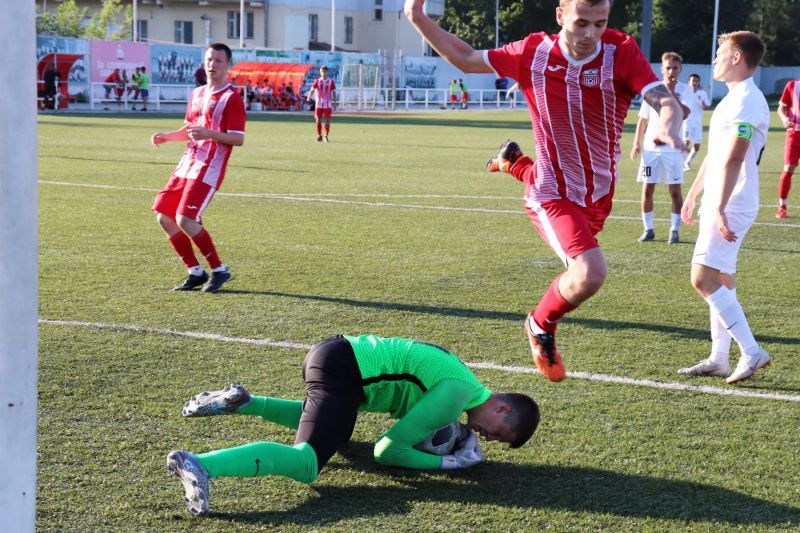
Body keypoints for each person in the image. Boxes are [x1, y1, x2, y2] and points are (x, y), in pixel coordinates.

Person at [405, 0, 684, 382]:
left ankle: (514, 162)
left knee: (580, 240)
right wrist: (417, 17)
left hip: (596, 194)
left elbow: (663, 98)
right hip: (552, 196)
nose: (590, 34)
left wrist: (668, 123)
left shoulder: (619, 51)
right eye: (581, 23)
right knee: (589, 273)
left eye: (600, 23)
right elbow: (467, 58)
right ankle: (539, 324)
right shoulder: (533, 52)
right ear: (560, 16)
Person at [166, 334, 541, 516]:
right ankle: (202, 464)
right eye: (498, 432)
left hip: (337, 356)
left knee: (337, 431)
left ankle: (244, 402)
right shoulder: (458, 394)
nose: (488, 437)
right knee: (307, 463)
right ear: (503, 409)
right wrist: (449, 463)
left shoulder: (462, 387)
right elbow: (387, 451)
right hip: (343, 370)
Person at [677, 32, 771, 384]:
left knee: (702, 278)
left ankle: (751, 351)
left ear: (736, 58)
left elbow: (735, 159)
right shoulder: (732, 99)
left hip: (732, 201)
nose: (714, 60)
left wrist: (717, 207)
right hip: (721, 199)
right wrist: (694, 193)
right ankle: (719, 359)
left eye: (720, 54)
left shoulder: (748, 100)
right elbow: (716, 155)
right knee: (721, 280)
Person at [150, 43, 245, 293]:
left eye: (218, 60)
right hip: (186, 164)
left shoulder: (232, 98)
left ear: (228, 65)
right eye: (209, 59)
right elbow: (190, 130)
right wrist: (167, 137)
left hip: (209, 167)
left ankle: (219, 270)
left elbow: (238, 138)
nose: (212, 65)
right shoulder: (197, 93)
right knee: (164, 216)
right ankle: (195, 272)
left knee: (185, 218)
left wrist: (209, 133)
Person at [630, 52, 692, 244]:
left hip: (672, 150)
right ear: (662, 69)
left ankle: (674, 230)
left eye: (675, 68)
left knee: (675, 191)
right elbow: (643, 119)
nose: (671, 71)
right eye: (668, 68)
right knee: (647, 189)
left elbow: (685, 113)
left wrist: (671, 94)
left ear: (680, 70)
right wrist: (636, 142)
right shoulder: (652, 89)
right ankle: (648, 229)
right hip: (651, 149)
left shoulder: (686, 90)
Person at [775, 78, 800, 218]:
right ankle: (782, 206)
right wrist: (784, 119)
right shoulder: (792, 85)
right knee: (788, 168)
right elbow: (781, 108)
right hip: (794, 134)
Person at [682, 73, 711, 171]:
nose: (694, 82)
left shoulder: (702, 93)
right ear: (688, 82)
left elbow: (707, 106)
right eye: (693, 80)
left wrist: (704, 105)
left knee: (697, 146)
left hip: (698, 123)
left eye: (696, 81)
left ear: (699, 82)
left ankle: (687, 162)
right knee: (685, 142)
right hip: (686, 121)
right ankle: (680, 163)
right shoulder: (684, 92)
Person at [306, 65, 336, 142]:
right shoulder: (317, 81)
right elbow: (312, 90)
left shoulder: (331, 82)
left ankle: (326, 135)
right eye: (322, 71)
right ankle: (319, 136)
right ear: (320, 72)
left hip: (327, 104)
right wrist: (308, 97)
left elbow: (333, 93)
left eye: (324, 71)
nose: (323, 73)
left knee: (327, 120)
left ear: (327, 72)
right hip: (318, 104)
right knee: (318, 119)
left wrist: (334, 103)